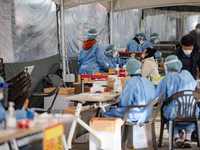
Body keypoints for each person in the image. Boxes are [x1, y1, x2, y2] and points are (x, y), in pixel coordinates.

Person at [103, 59, 155, 142]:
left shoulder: (131, 82)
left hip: (135, 114)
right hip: (148, 114)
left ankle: (109, 142)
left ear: (128, 70)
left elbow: (124, 102)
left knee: (107, 113)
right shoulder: (147, 81)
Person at [155, 55, 197, 148]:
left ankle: (176, 136)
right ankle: (188, 138)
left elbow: (157, 96)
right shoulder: (187, 74)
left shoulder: (167, 78)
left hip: (174, 113)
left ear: (168, 66)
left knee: (166, 112)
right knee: (189, 112)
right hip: (191, 112)